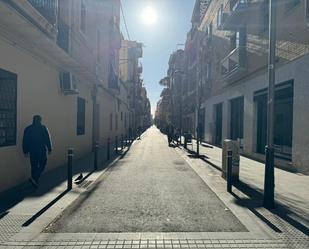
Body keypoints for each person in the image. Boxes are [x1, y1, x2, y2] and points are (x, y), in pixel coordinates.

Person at [22, 115, 52, 187]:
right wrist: (49, 148)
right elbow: (47, 139)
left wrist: (25, 151)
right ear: (40, 120)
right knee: (43, 163)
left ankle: (34, 181)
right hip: (41, 150)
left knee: (33, 166)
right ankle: (34, 178)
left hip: (32, 151)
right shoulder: (43, 128)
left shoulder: (28, 129)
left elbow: (25, 140)